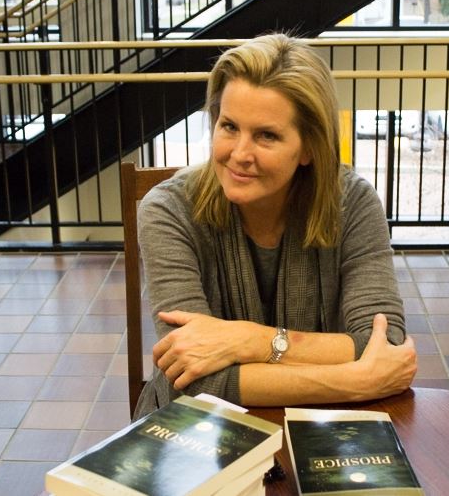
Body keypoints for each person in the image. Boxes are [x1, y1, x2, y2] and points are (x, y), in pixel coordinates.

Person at [134, 33, 416, 419]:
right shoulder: (168, 210)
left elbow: (385, 343)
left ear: (309, 148)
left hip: (324, 427)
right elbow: (195, 381)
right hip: (195, 432)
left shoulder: (352, 203)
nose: (239, 154)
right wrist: (358, 380)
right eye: (229, 126)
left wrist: (249, 340)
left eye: (266, 135)